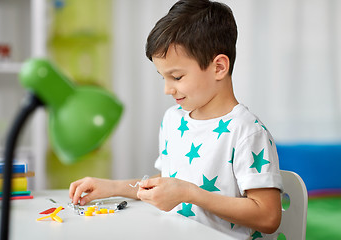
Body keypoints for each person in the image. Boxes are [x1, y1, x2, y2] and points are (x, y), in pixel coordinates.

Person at [69, 0, 283, 238]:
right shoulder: (173, 119)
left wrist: (190, 193)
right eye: (163, 78)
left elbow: (268, 216)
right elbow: (170, 182)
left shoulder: (247, 132)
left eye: (177, 77)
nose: (168, 89)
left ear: (219, 67)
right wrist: (111, 187)